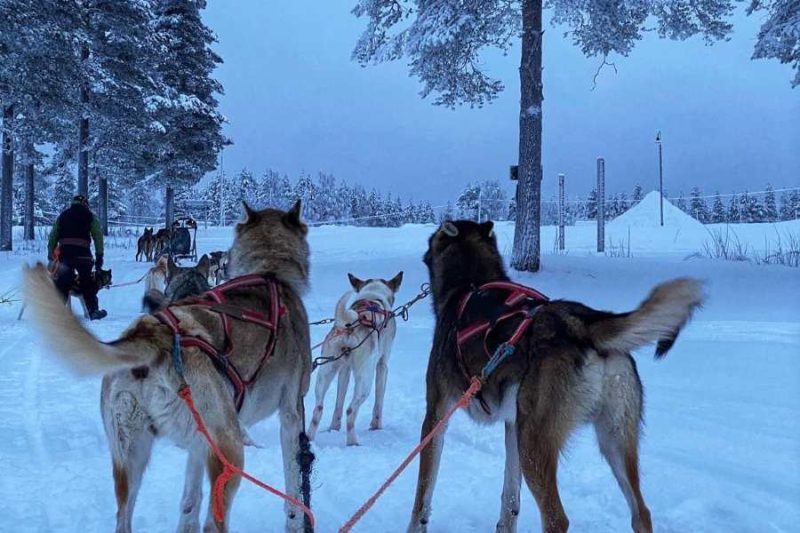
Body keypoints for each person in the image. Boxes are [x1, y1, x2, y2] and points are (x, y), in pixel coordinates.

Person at [47, 195, 107, 320]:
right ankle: (93, 311)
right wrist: (99, 256)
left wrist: (51, 254)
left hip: (65, 255)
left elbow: (53, 235)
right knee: (87, 282)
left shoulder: (63, 216)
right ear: (85, 203)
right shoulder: (90, 216)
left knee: (63, 283)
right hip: (83, 255)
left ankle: (57, 313)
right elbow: (98, 236)